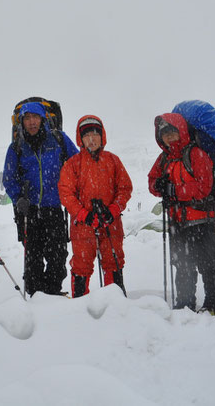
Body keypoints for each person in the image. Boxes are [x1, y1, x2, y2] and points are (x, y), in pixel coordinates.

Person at [148, 113, 215, 314]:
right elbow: (151, 182)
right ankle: (184, 304)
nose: (170, 136)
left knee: (208, 264)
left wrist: (173, 190)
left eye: (173, 131)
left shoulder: (196, 154)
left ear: (182, 130)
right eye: (165, 133)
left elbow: (204, 187)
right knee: (182, 265)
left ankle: (214, 305)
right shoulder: (164, 158)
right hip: (177, 221)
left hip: (201, 220)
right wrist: (159, 185)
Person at [3, 102, 78, 296]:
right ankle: (36, 296)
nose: (31, 122)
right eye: (27, 119)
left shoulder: (58, 140)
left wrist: (70, 190)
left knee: (58, 256)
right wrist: (18, 197)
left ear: (43, 119)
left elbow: (77, 164)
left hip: (54, 207)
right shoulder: (17, 148)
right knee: (33, 258)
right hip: (29, 210)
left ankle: (52, 293)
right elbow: (9, 178)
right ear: (21, 122)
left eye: (35, 117)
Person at [58, 115, 133, 298]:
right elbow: (66, 194)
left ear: (102, 136)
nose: (92, 139)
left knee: (113, 261)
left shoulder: (113, 161)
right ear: (81, 139)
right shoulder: (73, 164)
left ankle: (116, 301)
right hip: (83, 225)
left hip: (111, 221)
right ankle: (81, 304)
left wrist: (113, 210)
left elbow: (124, 188)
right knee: (81, 265)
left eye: (95, 134)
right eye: (87, 135)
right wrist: (84, 215)